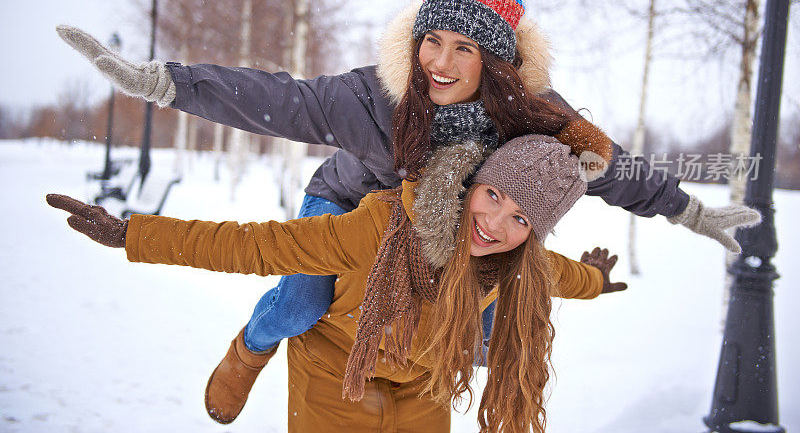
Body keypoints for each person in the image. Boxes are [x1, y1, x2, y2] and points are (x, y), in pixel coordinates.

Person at [55, 0, 760, 423]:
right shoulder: (376, 96)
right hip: (350, 208)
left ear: (501, 62)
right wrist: (162, 83)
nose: (441, 63)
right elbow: (276, 100)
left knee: (476, 327)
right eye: (432, 41)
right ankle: (251, 346)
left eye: (466, 48)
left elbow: (609, 168)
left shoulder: (535, 112)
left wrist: (690, 209)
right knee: (303, 300)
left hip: (460, 227)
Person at [48, 135, 628, 433]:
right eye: (494, 196)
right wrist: (136, 235)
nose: (494, 225)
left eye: (522, 219)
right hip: (335, 359)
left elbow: (560, 277)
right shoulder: (388, 221)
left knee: (486, 340)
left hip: (422, 383)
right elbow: (261, 244)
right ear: (473, 182)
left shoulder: (518, 263)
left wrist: (596, 281)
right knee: (301, 299)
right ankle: (251, 345)